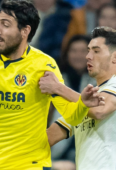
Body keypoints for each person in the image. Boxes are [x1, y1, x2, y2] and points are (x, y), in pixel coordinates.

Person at [0, 0, 104, 170]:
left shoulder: (44, 65)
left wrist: (82, 104)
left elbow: (70, 115)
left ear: (25, 31)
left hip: (28, 165)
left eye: (5, 25)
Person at [39, 26, 116, 169]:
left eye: (96, 51)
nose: (88, 56)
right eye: (89, 51)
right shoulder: (84, 104)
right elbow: (47, 138)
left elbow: (100, 110)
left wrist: (58, 87)